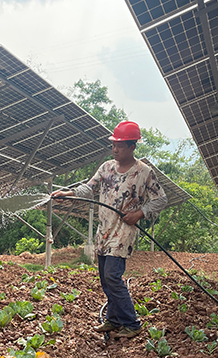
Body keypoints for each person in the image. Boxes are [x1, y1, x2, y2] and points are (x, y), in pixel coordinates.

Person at [52, 120, 167, 338]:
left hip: (123, 232)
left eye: (120, 145)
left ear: (132, 147)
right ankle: (114, 319)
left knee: (113, 277)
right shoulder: (106, 167)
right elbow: (90, 188)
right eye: (113, 145)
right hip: (104, 231)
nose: (115, 149)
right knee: (105, 278)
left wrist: (139, 214)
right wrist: (68, 193)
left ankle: (132, 323)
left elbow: (160, 200)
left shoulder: (144, 172)